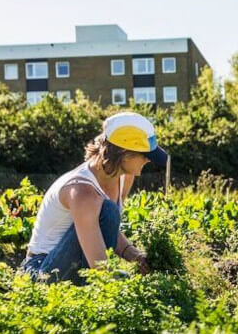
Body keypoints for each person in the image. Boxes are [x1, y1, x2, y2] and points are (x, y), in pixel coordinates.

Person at [21, 112, 168, 284]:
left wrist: (136, 256)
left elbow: (105, 228)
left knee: (109, 213)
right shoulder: (83, 192)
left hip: (74, 264)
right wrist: (123, 286)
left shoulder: (124, 177)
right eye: (145, 155)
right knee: (108, 210)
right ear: (125, 154)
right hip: (42, 271)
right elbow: (100, 268)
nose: (148, 161)